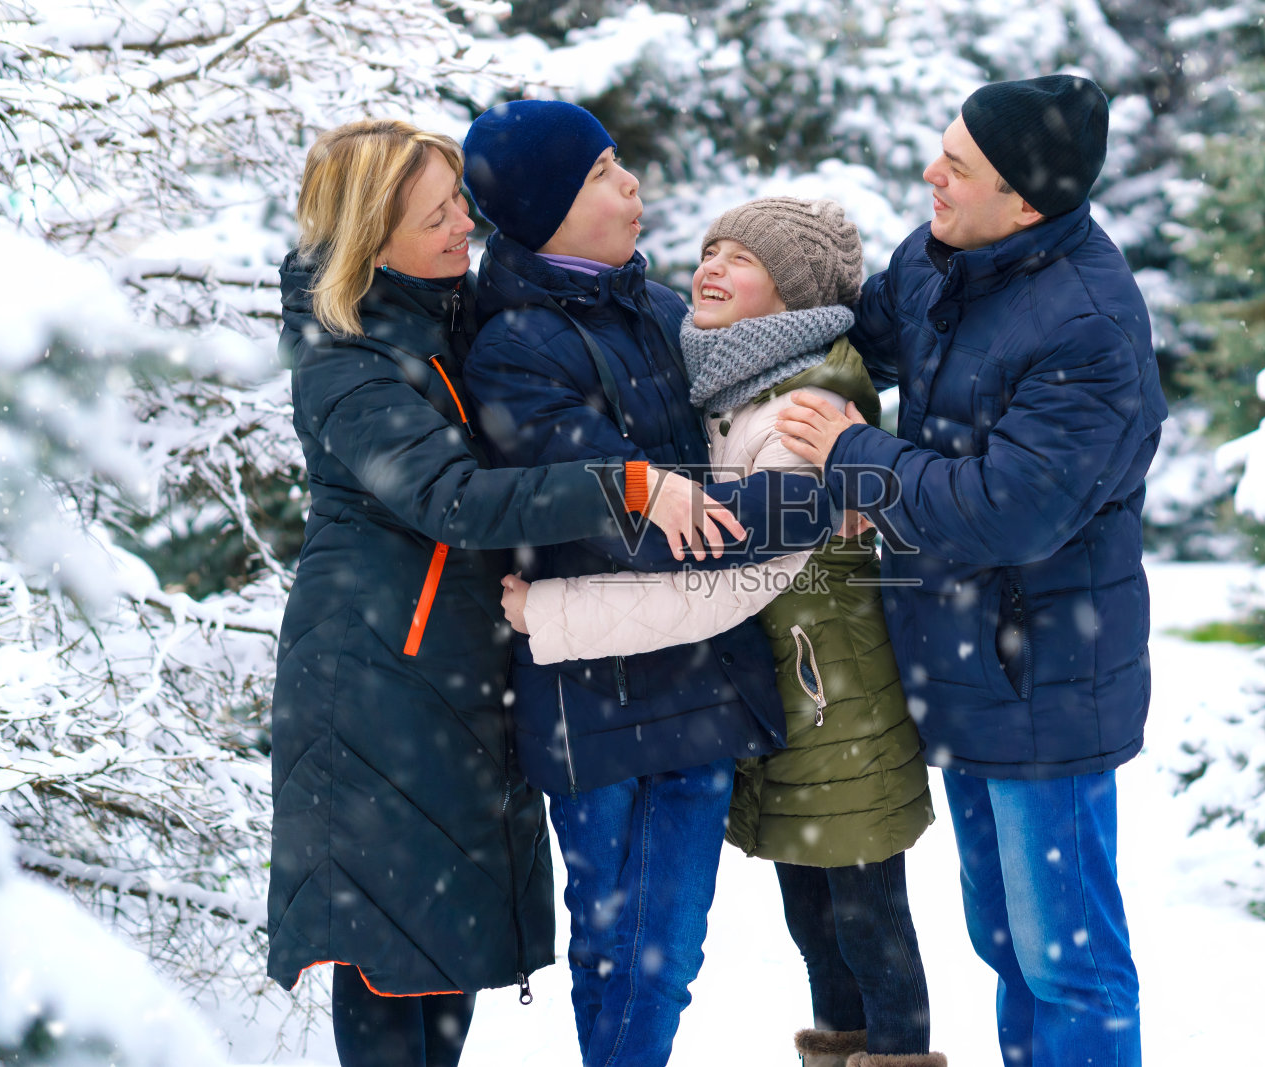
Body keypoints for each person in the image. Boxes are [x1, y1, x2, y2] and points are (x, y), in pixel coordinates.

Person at [267, 118, 747, 1067]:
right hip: (373, 681)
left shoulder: (447, 312)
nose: (463, 227)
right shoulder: (348, 356)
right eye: (435, 215)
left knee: (445, 948)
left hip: (452, 672)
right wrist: (628, 483)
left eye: (460, 203)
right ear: (371, 237)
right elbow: (448, 497)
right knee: (384, 953)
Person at [778, 75, 1167, 1067]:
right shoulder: (943, 258)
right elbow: (849, 336)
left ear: (1025, 203)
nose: (928, 174)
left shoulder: (1087, 323)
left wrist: (856, 453)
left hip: (1045, 676)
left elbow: (1009, 509)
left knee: (1066, 961)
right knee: (1006, 943)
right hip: (966, 665)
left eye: (956, 166)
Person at [500, 198, 943, 1067]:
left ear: (794, 293)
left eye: (741, 258)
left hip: (835, 706)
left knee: (869, 926)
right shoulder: (730, 380)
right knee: (820, 929)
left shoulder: (798, 410)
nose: (709, 267)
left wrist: (548, 613)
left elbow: (729, 582)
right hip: (788, 698)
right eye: (709, 248)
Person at [458, 102, 838, 1067]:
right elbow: (631, 518)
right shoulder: (513, 346)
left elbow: (772, 393)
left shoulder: (664, 309)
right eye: (599, 175)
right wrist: (795, 511)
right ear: (545, 211)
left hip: (702, 674)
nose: (630, 185)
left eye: (621, 163)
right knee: (618, 946)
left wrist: (827, 467)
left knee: (666, 952)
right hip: (595, 692)